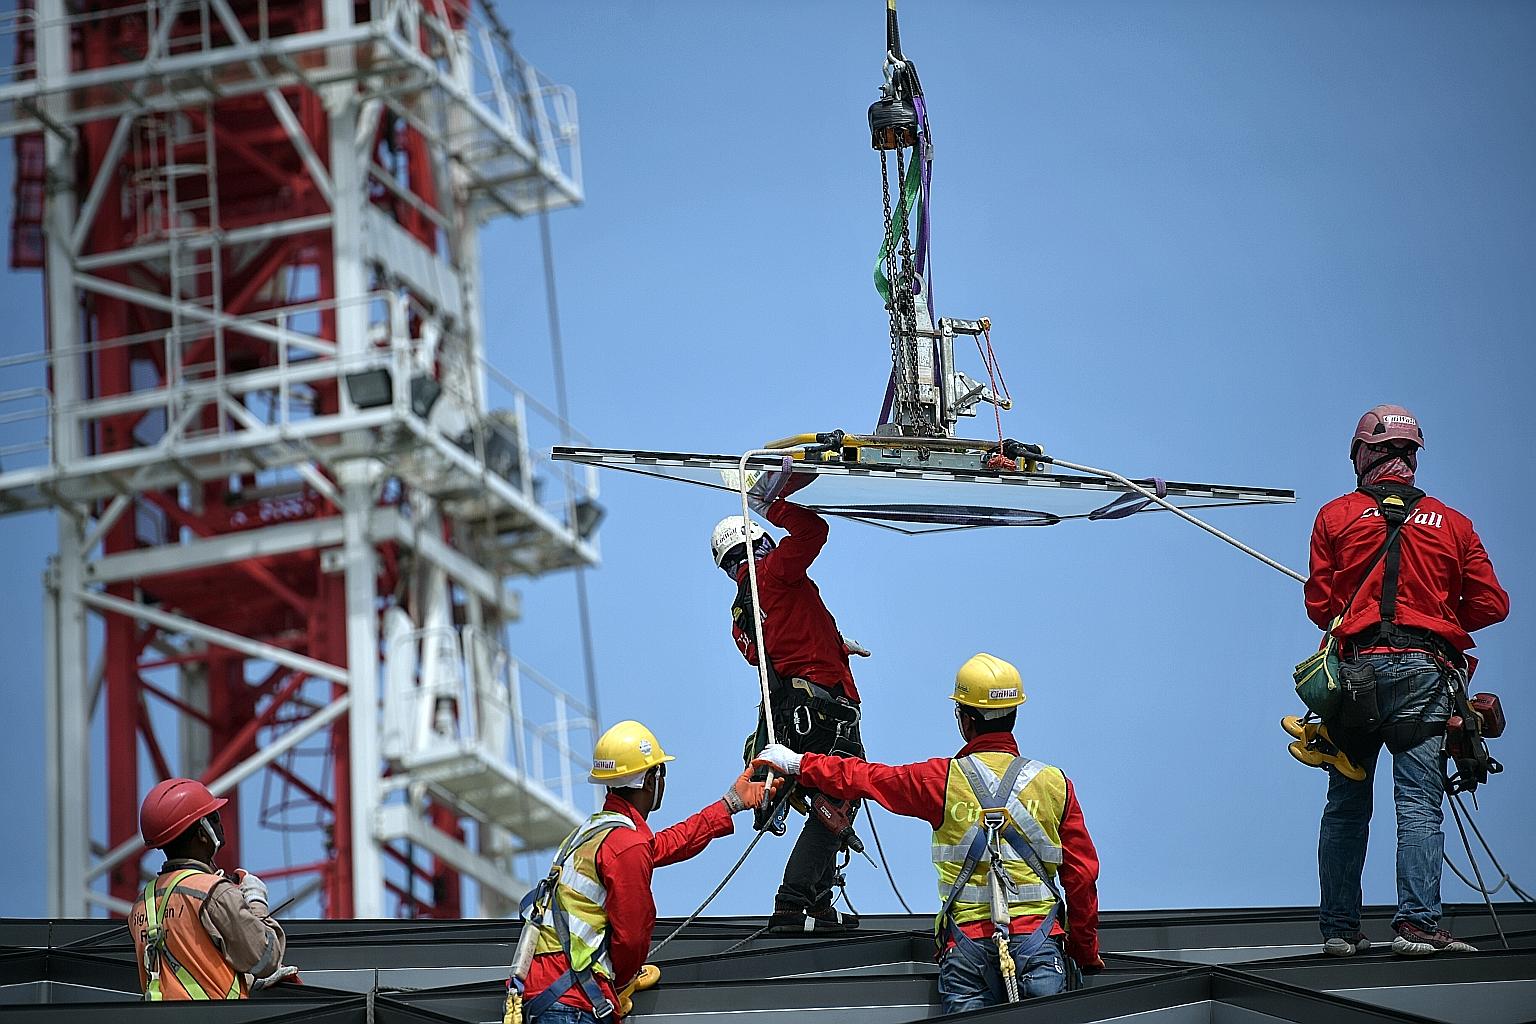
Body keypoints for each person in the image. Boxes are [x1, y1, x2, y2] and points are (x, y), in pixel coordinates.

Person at [753, 653, 1102, 1013]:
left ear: (964, 719)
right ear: (1014, 715)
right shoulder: (1054, 784)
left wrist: (797, 762)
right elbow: (1081, 879)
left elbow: (865, 778)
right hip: (1039, 946)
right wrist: (1085, 952)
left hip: (968, 952)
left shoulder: (941, 781)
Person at [1303, 405, 1508, 958]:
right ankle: (1417, 925)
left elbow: (1320, 605)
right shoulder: (1454, 523)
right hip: (1424, 674)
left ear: (1363, 453)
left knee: (1346, 802)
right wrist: (1438, 616)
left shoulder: (1335, 515)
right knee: (1418, 803)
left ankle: (1340, 931)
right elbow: (1493, 605)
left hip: (1355, 675)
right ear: (1412, 457)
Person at [515, 720, 779, 1023]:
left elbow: (664, 845)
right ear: (651, 781)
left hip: (546, 994)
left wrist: (730, 804)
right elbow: (632, 937)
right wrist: (623, 982)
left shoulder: (592, 834)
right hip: (571, 1001)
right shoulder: (625, 844)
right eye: (660, 772)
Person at [710, 492, 869, 934]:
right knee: (836, 800)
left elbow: (778, 655)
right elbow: (815, 531)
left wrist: (834, 645)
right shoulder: (774, 572)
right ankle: (792, 904)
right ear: (758, 541)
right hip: (823, 711)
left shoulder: (741, 616)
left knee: (832, 801)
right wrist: (770, 503)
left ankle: (816, 902)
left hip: (794, 718)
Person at [130, 778, 290, 1000]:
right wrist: (255, 900)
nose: (219, 824)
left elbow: (192, 964)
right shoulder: (213, 892)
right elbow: (266, 959)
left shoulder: (141, 906)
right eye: (213, 818)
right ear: (202, 834)